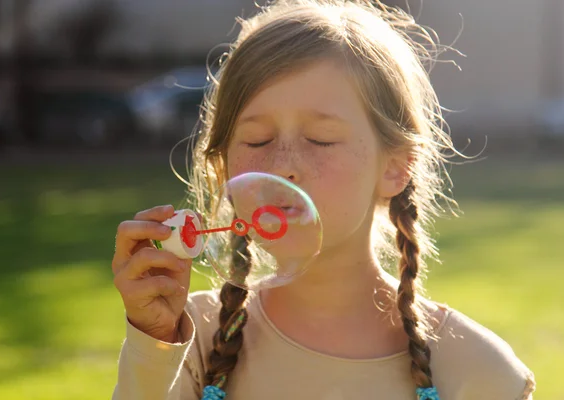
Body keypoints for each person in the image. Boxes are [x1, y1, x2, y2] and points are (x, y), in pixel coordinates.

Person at [110, 1, 536, 399]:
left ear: (395, 166)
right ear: (224, 168)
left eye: (321, 139)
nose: (283, 165)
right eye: (257, 140)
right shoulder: (190, 339)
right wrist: (154, 347)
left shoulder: (477, 371)